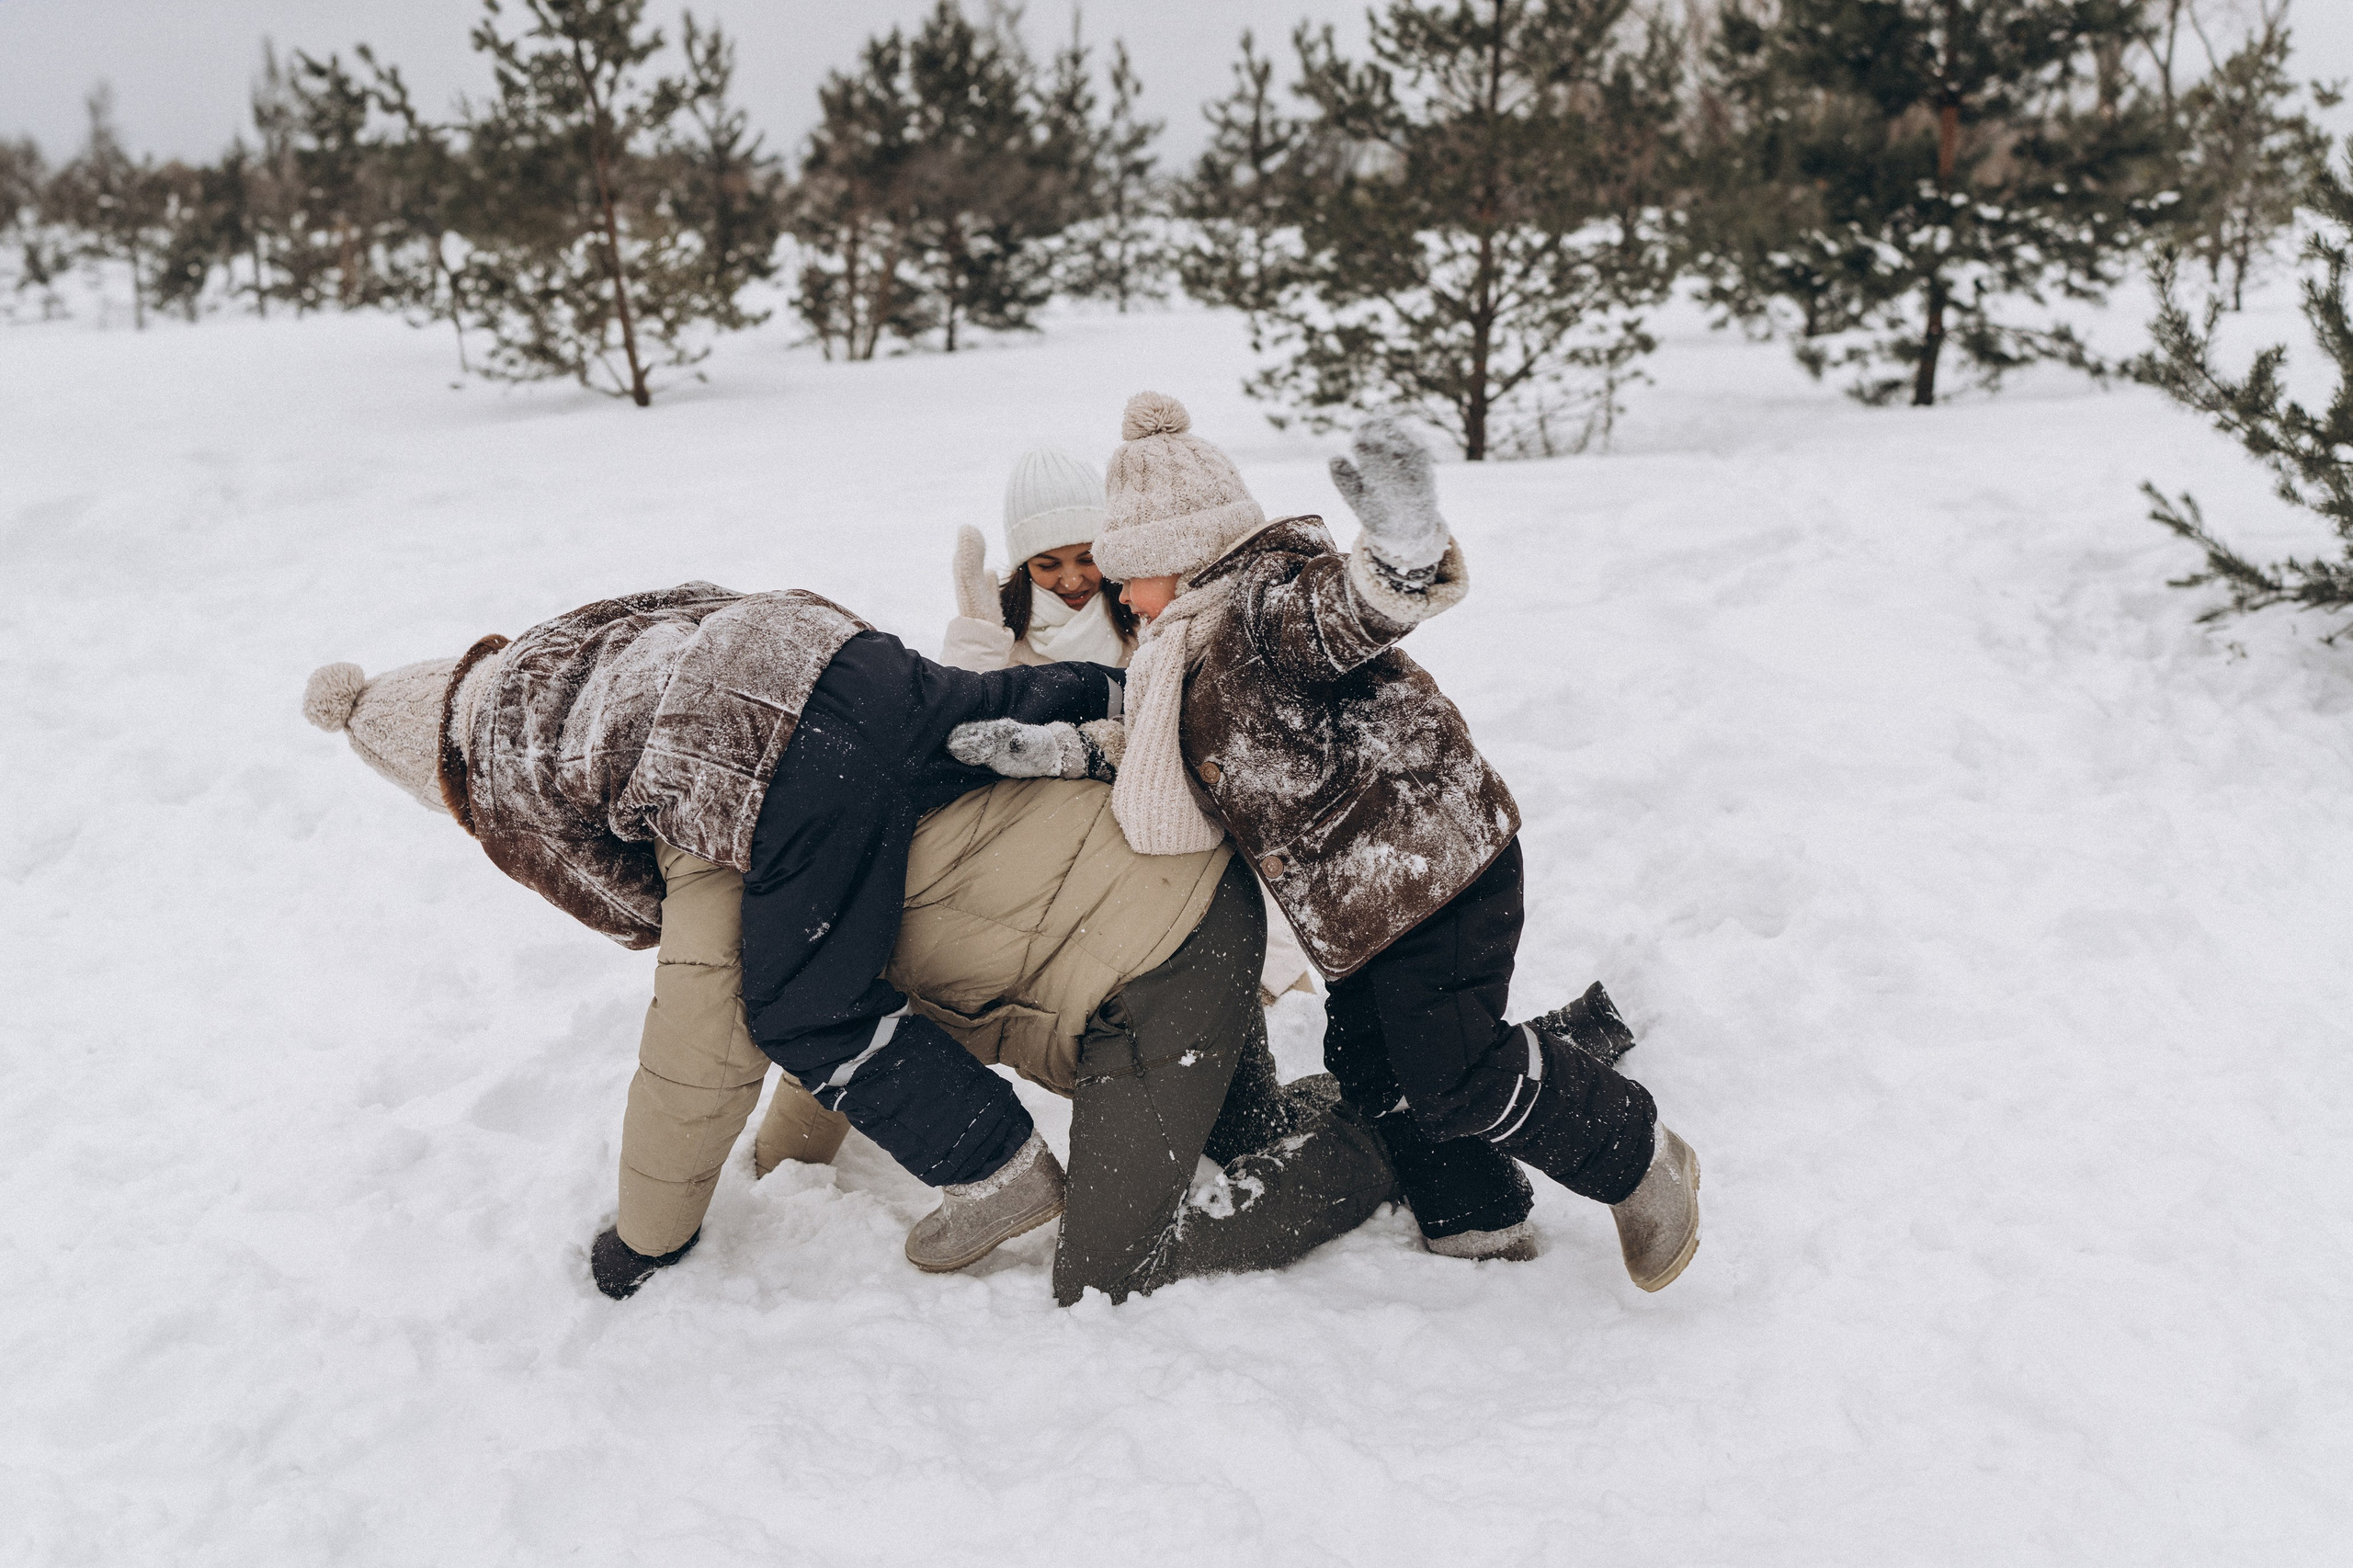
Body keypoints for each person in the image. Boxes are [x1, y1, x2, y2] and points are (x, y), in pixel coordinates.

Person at [304, 586, 1392, 1303]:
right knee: (962, 728)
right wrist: (790, 1153)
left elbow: (711, 1026)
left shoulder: (667, 791)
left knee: (1111, 1271)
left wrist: (645, 1237)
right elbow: (832, 955)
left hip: (1151, 980)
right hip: (857, 685)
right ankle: (1126, 696)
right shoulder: (616, 657)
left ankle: (1375, 1142)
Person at [949, 395, 1703, 1292]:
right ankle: (1475, 1217)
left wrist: (1399, 548)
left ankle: (1637, 1153)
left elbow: (1349, 608)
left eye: (1129, 571)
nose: (1117, 590)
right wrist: (1062, 748)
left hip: (1435, 873)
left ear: (1177, 561)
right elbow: (1170, 762)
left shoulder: (1265, 611)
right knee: (1372, 1069)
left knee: (1455, 1067)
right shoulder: (1181, 657)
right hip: (1358, 911)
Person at [943, 447, 1318, 1006]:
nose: (1072, 579)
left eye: (1087, 556)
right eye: (1048, 563)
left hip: (1157, 800)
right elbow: (958, 732)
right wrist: (976, 633)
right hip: (1058, 822)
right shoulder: (1002, 630)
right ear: (1023, 566)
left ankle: (1283, 995)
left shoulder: (1142, 611)